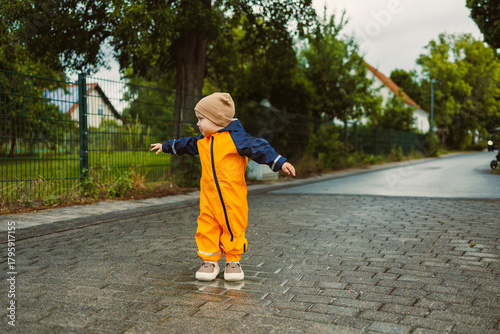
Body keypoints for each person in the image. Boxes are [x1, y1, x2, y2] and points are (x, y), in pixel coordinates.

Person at [150, 92, 296, 281]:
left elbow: (259, 148)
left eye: (201, 118)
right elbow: (186, 144)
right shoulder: (203, 141)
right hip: (209, 198)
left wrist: (279, 161)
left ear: (217, 119)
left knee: (233, 226)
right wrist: (167, 146)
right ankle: (209, 262)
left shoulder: (237, 139)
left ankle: (233, 261)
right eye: (198, 119)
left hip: (232, 198)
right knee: (206, 226)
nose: (198, 123)